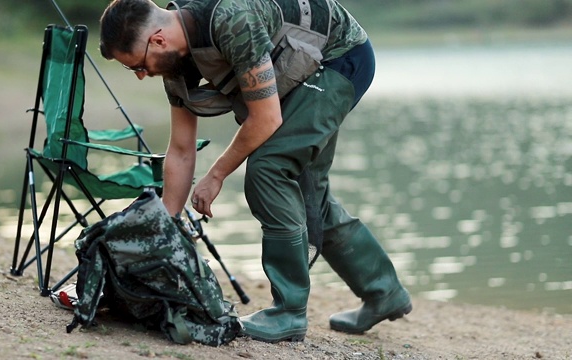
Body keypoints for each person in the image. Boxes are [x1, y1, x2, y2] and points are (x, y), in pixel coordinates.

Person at [99, 0, 412, 343]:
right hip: (297, 71)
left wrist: (216, 174)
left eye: (138, 66)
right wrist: (166, 226)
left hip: (340, 55)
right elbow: (181, 150)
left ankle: (288, 312)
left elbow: (265, 118)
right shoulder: (174, 60)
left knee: (269, 167)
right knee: (310, 193)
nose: (142, 75)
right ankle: (383, 292)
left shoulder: (232, 19)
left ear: (157, 40)